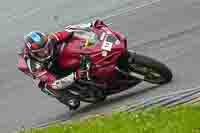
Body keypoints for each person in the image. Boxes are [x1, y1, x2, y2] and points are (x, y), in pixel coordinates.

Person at [17, 20, 107, 108]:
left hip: (54, 59)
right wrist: (75, 75)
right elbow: (55, 83)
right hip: (44, 73)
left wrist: (92, 36)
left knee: (68, 47)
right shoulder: (33, 65)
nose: (46, 52)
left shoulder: (51, 38)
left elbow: (71, 32)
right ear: (33, 53)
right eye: (41, 52)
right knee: (72, 102)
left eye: (47, 47)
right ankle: (63, 97)